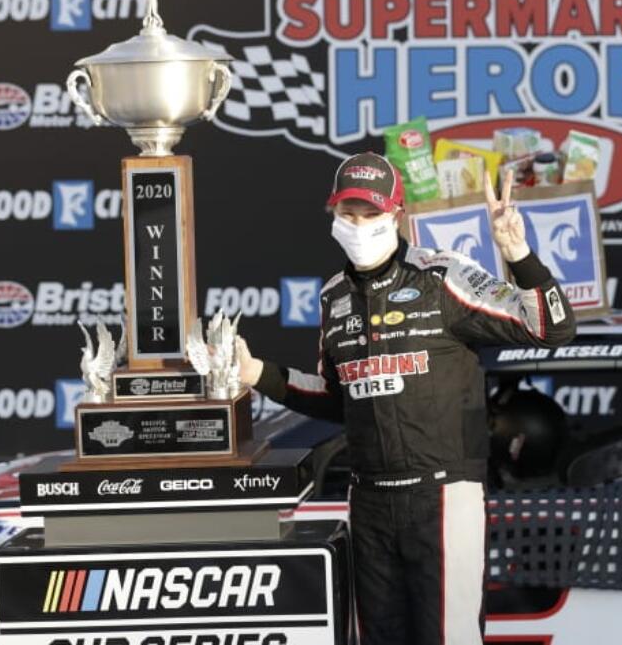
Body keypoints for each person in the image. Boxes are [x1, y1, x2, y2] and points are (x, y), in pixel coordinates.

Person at [236, 152, 577, 645]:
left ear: (396, 215)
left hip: (442, 496)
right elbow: (339, 399)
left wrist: (519, 253)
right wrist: (255, 373)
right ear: (333, 215)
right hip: (370, 499)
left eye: (370, 213)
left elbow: (552, 328)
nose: (357, 225)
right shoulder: (334, 296)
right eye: (347, 214)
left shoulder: (442, 277)